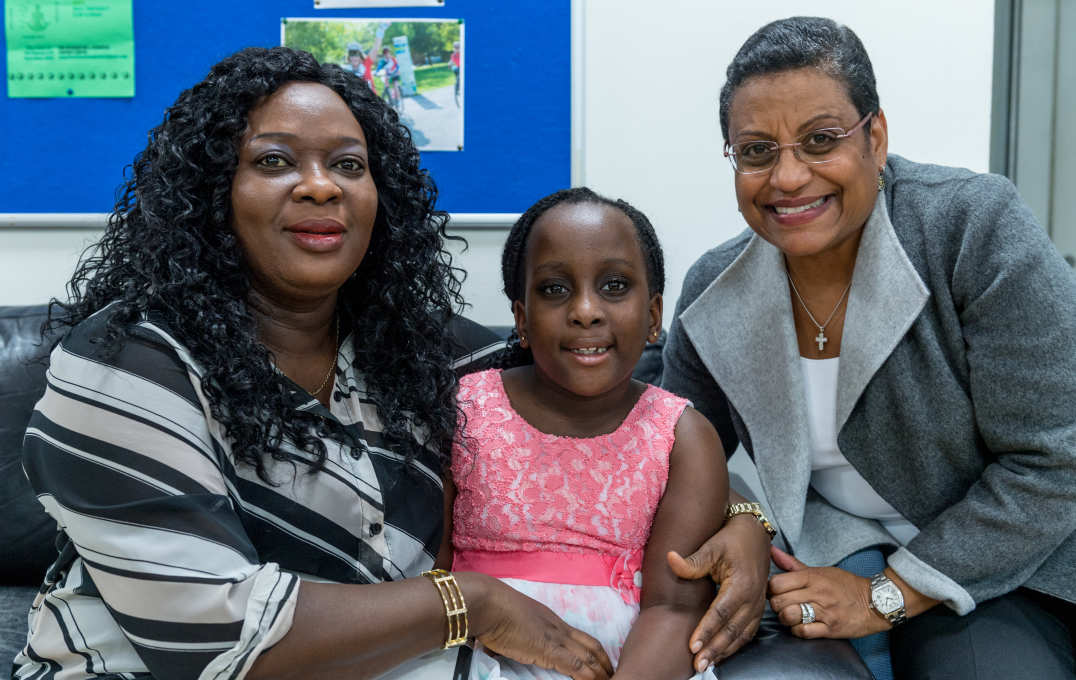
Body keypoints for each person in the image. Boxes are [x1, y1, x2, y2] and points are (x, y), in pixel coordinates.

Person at [15, 47, 621, 680]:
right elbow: (223, 639)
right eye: (274, 161)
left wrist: (734, 518)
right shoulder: (125, 365)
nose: (321, 185)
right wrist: (471, 603)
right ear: (211, 191)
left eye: (348, 165)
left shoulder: (418, 346)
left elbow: (614, 420)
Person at [661, 16, 1076, 680]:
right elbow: (671, 447)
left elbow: (1057, 460)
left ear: (874, 138)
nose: (787, 177)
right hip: (829, 548)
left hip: (1008, 558)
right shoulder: (717, 289)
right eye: (757, 151)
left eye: (821, 140)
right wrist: (744, 519)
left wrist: (886, 595)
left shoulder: (972, 228)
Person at [402, 187, 728, 679]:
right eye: (555, 289)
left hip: (626, 663)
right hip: (470, 650)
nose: (585, 310)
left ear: (655, 316)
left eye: (615, 286)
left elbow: (674, 610)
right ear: (521, 319)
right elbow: (429, 573)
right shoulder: (462, 410)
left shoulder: (682, 435)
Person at [375, 47, 403, 111]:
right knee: (386, 85)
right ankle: (390, 99)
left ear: (389, 53)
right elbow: (379, 67)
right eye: (385, 53)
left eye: (387, 53)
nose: (386, 54)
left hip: (395, 74)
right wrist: (376, 72)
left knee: (395, 85)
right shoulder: (383, 61)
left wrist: (394, 71)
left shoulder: (393, 59)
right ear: (384, 54)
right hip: (388, 76)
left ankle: (398, 100)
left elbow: (397, 66)